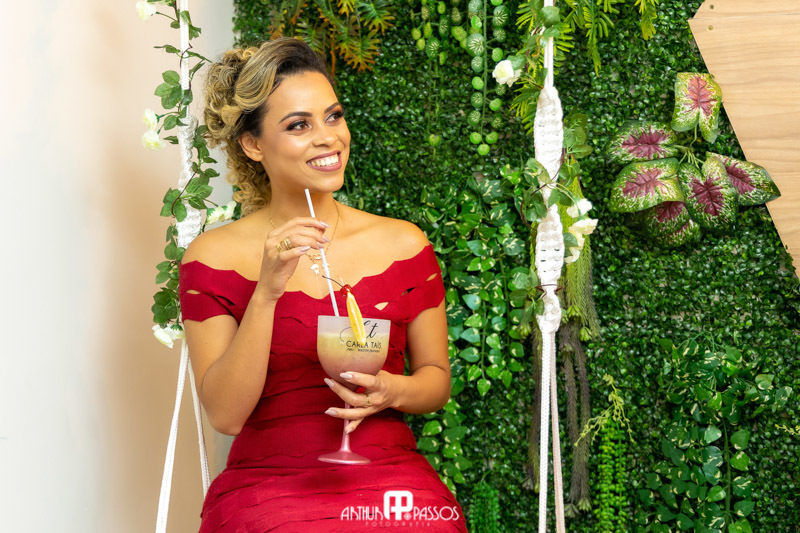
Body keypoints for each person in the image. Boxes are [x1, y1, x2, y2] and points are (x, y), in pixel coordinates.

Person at [178, 37, 468, 532]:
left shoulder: (404, 243)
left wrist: (392, 390)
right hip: (268, 485)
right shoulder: (213, 256)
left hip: (390, 476)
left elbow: (435, 380)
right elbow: (225, 416)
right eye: (298, 125)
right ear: (252, 145)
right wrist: (266, 292)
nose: (328, 138)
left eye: (333, 117)